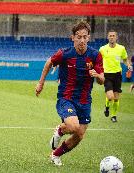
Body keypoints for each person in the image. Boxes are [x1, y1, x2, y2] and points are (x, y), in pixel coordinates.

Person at [35, 21, 104, 166]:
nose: (82, 40)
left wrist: (97, 75)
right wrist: (41, 83)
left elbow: (102, 80)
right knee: (73, 126)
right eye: (79, 37)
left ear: (89, 37)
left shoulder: (95, 55)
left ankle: (55, 154)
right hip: (66, 98)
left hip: (85, 100)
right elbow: (48, 62)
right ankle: (60, 130)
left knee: (79, 135)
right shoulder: (64, 54)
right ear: (72, 37)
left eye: (85, 37)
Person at [99, 30, 132, 122]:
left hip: (118, 75)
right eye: (110, 36)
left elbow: (125, 59)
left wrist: (128, 65)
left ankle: (114, 116)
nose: (112, 37)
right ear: (107, 37)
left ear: (116, 37)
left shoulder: (121, 48)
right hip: (107, 75)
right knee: (110, 97)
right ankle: (107, 106)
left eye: (113, 36)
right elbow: (98, 60)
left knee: (116, 98)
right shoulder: (102, 49)